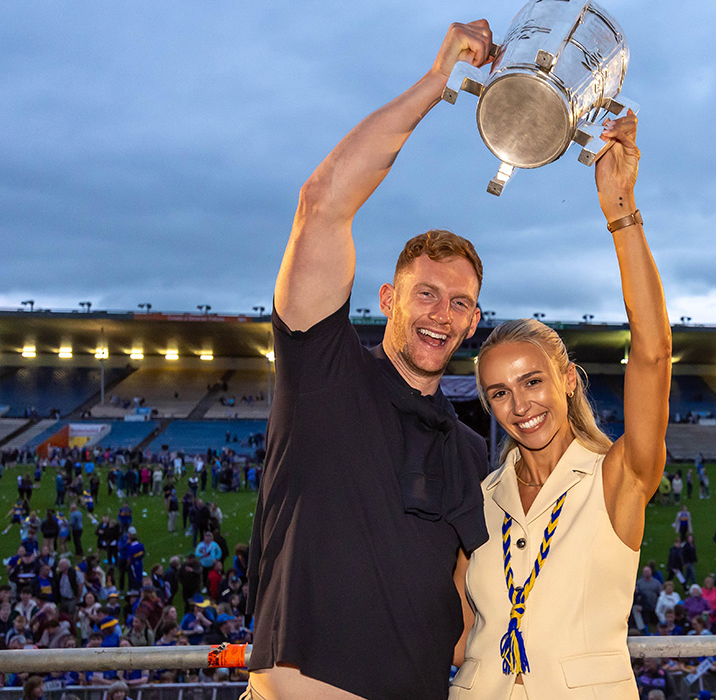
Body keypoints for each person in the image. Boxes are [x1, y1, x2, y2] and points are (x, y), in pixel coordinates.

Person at [246, 21, 495, 700]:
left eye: (460, 303)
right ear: (388, 299)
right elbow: (322, 203)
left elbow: (467, 611)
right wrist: (438, 82)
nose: (441, 313)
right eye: (426, 293)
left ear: (472, 323)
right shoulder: (323, 373)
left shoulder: (471, 452)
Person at [453, 108, 665, 700]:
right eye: (499, 392)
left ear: (568, 379)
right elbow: (457, 637)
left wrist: (621, 212)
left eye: (532, 382)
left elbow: (652, 353)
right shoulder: (480, 500)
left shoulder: (617, 478)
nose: (519, 405)